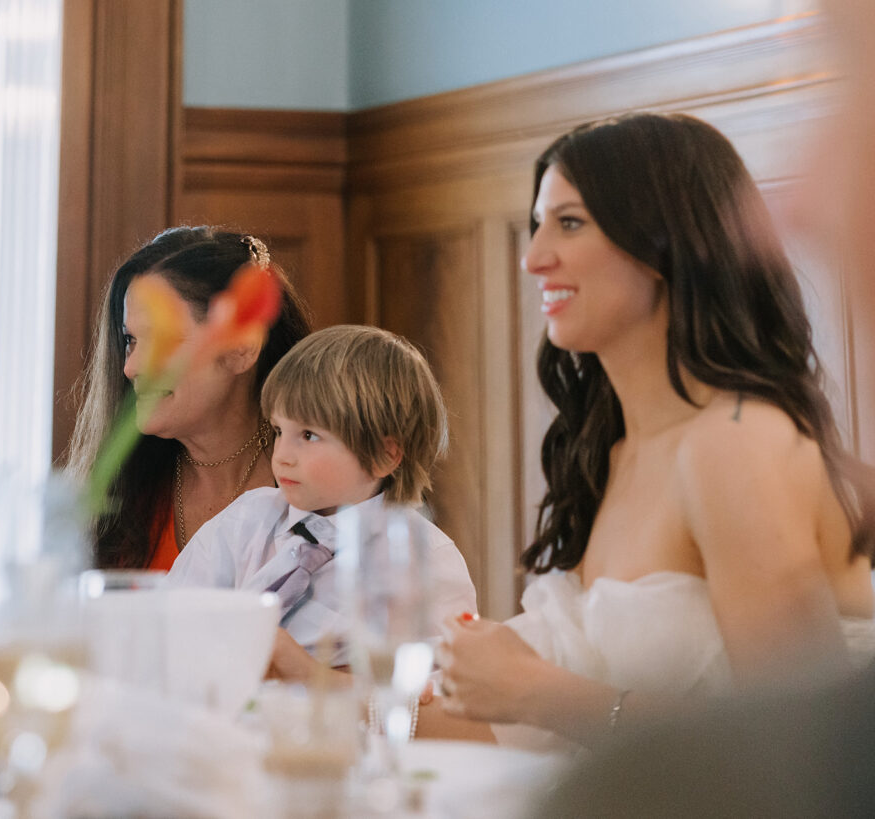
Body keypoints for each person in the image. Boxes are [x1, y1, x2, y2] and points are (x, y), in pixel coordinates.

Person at [425, 112, 875, 762]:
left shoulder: (736, 442)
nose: (532, 258)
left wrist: (536, 689)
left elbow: (804, 751)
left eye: (570, 222)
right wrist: (299, 683)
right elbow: (519, 722)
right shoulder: (612, 449)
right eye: (537, 224)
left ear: (668, 241)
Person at [168, 324, 477, 667]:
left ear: (384, 455)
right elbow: (167, 622)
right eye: (279, 430)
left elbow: (439, 688)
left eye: (309, 435)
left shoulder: (426, 562)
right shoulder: (245, 521)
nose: (282, 454)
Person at [66, 226, 311, 571]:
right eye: (130, 340)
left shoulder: (320, 483)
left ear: (242, 347)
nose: (131, 367)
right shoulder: (114, 499)